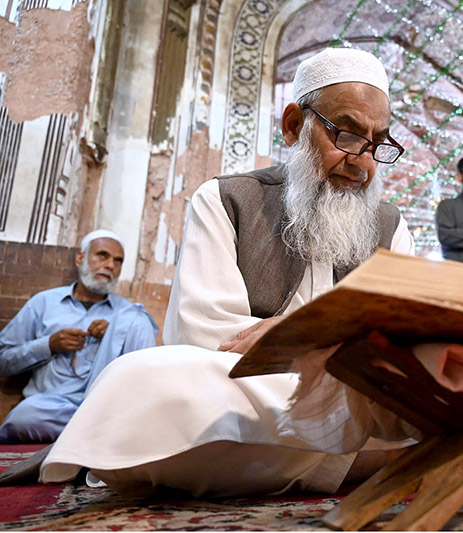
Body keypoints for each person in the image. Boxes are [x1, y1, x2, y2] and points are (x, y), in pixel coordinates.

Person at [39, 48, 418, 497]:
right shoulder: (225, 200)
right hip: (257, 389)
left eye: (378, 143)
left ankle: (320, 458)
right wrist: (315, 346)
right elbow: (204, 337)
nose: (364, 161)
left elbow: (406, 344)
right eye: (348, 135)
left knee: (441, 393)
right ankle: (370, 457)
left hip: (353, 393)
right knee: (140, 380)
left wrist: (314, 337)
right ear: (295, 125)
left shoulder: (390, 226)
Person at [0, 230, 158, 443]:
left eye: (118, 261)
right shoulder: (44, 303)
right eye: (103, 256)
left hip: (106, 407)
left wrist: (115, 333)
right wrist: (49, 345)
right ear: (80, 258)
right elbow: (3, 360)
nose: (111, 265)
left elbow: (143, 372)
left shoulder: (126, 315)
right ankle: (97, 437)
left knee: (140, 318)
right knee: (23, 418)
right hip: (54, 408)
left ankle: (94, 433)